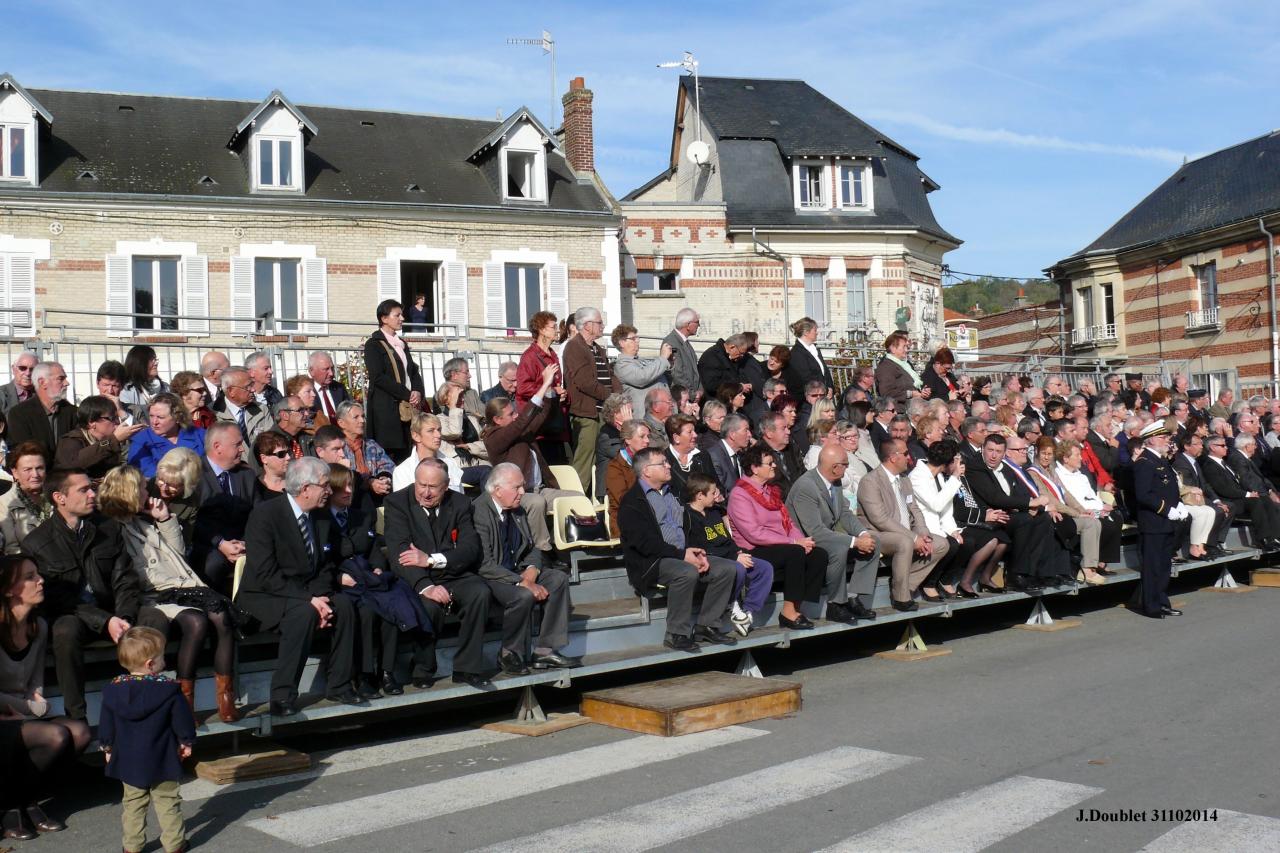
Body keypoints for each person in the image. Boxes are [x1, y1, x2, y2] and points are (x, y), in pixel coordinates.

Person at [98, 465, 240, 724]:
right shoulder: (113, 528)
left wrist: (164, 519)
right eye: (141, 487)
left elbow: (178, 556)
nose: (147, 491)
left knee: (221, 615)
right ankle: (185, 698)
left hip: (180, 588)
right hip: (155, 595)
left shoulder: (143, 520)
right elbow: (134, 576)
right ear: (129, 491)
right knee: (196, 622)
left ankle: (226, 694)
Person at [26, 469, 170, 721]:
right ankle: (77, 717)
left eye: (91, 487)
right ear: (60, 498)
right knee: (64, 629)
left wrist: (123, 617)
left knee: (154, 619)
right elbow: (61, 599)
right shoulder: (37, 542)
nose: (93, 493)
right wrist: (105, 621)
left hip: (113, 608)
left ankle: (151, 706)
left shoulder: (107, 528)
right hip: (74, 615)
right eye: (83, 490)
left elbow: (125, 579)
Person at [236, 457, 365, 715]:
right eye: (325, 485)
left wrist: (321, 597)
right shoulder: (265, 515)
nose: (329, 490)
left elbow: (325, 565)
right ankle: (282, 695)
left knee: (344, 605)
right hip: (265, 596)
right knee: (303, 613)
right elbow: (266, 573)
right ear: (306, 488)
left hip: (306, 592)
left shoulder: (320, 517)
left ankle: (339, 684)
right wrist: (309, 599)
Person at [315, 464, 434, 697]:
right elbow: (321, 558)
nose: (349, 491)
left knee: (392, 607)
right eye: (343, 487)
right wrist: (338, 578)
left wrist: (379, 567)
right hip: (344, 582)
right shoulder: (319, 520)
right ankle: (365, 673)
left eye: (351, 485)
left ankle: (387, 671)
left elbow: (373, 548)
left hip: (369, 578)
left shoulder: (361, 516)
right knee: (370, 611)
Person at [383, 458, 492, 688]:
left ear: (446, 486)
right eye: (421, 484)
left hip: (450, 571)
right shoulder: (397, 503)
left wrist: (431, 560)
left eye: (433, 487)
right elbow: (401, 555)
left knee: (479, 593)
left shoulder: (461, 503)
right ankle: (422, 668)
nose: (426, 492)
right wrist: (427, 586)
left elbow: (470, 549)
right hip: (416, 577)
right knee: (429, 606)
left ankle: (467, 668)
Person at [0, 555, 87, 839]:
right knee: (55, 736)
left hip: (20, 712)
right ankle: (11, 806)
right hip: (3, 715)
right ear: (8, 589)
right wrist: (29, 708)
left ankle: (27, 798)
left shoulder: (39, 627)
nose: (40, 580)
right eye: (29, 576)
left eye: (37, 574)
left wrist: (33, 705)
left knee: (80, 733)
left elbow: (35, 683)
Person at [617, 447, 738, 651]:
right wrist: (683, 554)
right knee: (686, 571)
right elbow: (644, 544)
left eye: (667, 462)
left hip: (684, 552)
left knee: (727, 568)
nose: (668, 465)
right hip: (653, 561)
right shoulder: (633, 502)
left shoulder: (672, 492)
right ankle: (676, 633)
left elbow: (688, 525)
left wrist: (695, 551)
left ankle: (706, 625)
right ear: (646, 471)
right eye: (662, 463)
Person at [473, 463, 579, 674]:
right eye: (517, 487)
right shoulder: (478, 512)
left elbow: (532, 547)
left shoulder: (517, 509)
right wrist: (522, 582)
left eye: (522, 486)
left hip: (518, 571)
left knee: (557, 579)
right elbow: (484, 564)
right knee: (522, 595)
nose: (523, 492)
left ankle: (544, 650)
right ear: (497, 490)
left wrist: (532, 569)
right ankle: (509, 652)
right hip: (492, 576)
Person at [98, 626, 195, 853]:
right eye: (162, 656)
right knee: (168, 802)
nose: (165, 660)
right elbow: (182, 721)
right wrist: (186, 741)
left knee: (132, 804)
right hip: (162, 757)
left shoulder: (113, 691)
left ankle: (132, 847)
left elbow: (107, 723)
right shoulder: (169, 691)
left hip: (129, 760)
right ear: (151, 663)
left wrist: (107, 746)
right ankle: (174, 844)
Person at [727, 443, 827, 629]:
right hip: (755, 549)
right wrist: (794, 542)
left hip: (781, 545)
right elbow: (754, 534)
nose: (774, 466)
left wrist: (802, 541)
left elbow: (788, 524)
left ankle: (796, 607)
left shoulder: (770, 491)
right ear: (755, 468)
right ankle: (788, 613)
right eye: (769, 463)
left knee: (818, 554)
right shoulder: (739, 494)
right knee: (795, 553)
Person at [786, 445, 880, 624]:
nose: (847, 467)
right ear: (835, 467)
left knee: (873, 542)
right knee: (839, 549)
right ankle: (835, 604)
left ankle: (852, 597)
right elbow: (816, 532)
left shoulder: (834, 481)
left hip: (827, 535)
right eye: (845, 464)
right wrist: (854, 542)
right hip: (807, 541)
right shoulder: (806, 486)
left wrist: (863, 534)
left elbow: (844, 513)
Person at [857, 438, 951, 610]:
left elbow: (915, 510)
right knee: (905, 542)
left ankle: (904, 585)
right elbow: (880, 519)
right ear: (893, 457)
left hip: (905, 532)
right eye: (906, 453)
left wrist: (923, 534)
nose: (910, 457)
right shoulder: (870, 481)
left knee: (941, 544)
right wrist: (914, 537)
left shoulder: (904, 479)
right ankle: (901, 598)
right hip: (878, 534)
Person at [683, 473, 774, 634]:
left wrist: (737, 552)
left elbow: (727, 539)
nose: (716, 496)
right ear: (699, 495)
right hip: (711, 560)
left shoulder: (714, 512)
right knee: (737, 568)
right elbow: (701, 548)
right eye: (712, 493)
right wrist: (734, 557)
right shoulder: (688, 516)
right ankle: (732, 604)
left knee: (765, 568)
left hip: (730, 555)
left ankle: (747, 613)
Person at [191, 423, 258, 590]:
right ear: (217, 447)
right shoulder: (194, 475)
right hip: (208, 544)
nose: (242, 449)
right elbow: (193, 520)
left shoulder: (246, 475)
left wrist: (246, 543)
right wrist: (220, 543)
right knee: (213, 564)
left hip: (244, 542)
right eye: (237, 445)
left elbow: (259, 514)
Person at [563, 306, 620, 497]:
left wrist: (620, 397)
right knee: (584, 462)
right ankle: (575, 506)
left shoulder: (597, 349)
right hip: (586, 414)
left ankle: (598, 501)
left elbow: (610, 376)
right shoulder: (574, 347)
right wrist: (611, 397)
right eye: (599, 322)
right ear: (587, 326)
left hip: (602, 412)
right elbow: (584, 382)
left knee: (602, 459)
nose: (602, 326)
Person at [1130, 422, 1184, 618]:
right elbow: (1143, 495)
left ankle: (1162, 601)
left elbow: (1169, 487)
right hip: (1153, 521)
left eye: (1167, 438)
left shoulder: (1159, 460)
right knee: (1153, 566)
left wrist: (1178, 504)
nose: (1167, 441)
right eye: (1162, 438)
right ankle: (1151, 605)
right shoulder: (1144, 462)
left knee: (1164, 566)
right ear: (1151, 439)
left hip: (1165, 520)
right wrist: (1166, 509)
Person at [364, 299, 426, 464]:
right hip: (386, 411)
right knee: (390, 457)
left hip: (406, 409)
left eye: (402, 314)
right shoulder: (373, 345)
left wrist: (417, 391)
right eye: (397, 315)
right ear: (384, 319)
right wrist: (407, 394)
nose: (402, 318)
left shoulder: (401, 344)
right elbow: (377, 377)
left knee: (407, 454)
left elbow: (413, 371)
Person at [1053, 439, 1122, 581]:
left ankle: (1102, 560)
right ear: (1066, 458)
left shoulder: (1081, 475)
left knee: (1116, 517)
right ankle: (1091, 564)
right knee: (1104, 523)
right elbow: (1075, 500)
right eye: (1077, 455)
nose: (1081, 458)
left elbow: (1091, 495)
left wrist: (1102, 506)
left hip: (1092, 507)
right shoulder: (1059, 475)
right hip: (1076, 511)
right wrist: (1098, 509)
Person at [515, 311, 569, 465]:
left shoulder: (552, 355)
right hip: (538, 426)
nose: (557, 330)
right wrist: (549, 391)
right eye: (553, 327)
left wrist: (562, 394)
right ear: (541, 330)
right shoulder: (530, 357)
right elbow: (523, 388)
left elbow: (556, 385)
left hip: (553, 422)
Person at [57, 394, 141, 480]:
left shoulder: (108, 440)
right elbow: (75, 463)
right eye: (112, 418)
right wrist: (114, 439)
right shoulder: (70, 440)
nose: (116, 422)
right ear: (91, 422)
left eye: (117, 418)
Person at [126, 393, 204, 479]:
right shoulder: (141, 442)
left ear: (177, 417)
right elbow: (147, 473)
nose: (154, 422)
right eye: (151, 416)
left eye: (160, 417)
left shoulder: (199, 435)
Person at [6, 362, 77, 455]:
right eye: (61, 379)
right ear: (42, 382)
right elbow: (24, 453)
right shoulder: (20, 414)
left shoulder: (72, 411)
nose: (67, 383)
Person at [334, 401, 395, 500]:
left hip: (376, 497)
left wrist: (383, 478)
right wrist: (369, 483)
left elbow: (388, 465)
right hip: (350, 499)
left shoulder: (371, 444)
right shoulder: (337, 447)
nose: (362, 420)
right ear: (341, 423)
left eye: (363, 416)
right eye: (356, 417)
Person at [393, 412, 465, 493]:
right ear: (416, 436)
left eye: (439, 430)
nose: (438, 435)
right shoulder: (402, 471)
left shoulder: (451, 463)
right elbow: (401, 504)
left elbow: (460, 498)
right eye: (431, 431)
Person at [0, 443, 51, 555]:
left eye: (40, 468)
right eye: (28, 469)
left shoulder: (56, 497)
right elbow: (12, 549)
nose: (35, 474)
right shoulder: (4, 504)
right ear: (15, 472)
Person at [612, 323, 672, 416]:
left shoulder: (642, 360)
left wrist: (669, 362)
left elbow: (656, 373)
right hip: (644, 417)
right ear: (622, 343)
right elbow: (642, 377)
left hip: (661, 413)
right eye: (633, 339)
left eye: (637, 338)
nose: (637, 341)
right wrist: (663, 358)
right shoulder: (621, 365)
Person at [212, 367, 271, 457]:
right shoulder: (213, 415)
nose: (253, 390)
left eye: (252, 385)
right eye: (248, 387)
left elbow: (271, 443)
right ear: (231, 391)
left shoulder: (261, 410)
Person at [605, 420, 650, 534]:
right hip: (626, 523)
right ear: (628, 440)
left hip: (651, 518)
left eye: (648, 436)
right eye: (642, 437)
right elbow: (624, 500)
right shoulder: (615, 466)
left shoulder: (650, 462)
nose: (647, 441)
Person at [782, 317, 834, 401]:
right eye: (815, 330)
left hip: (823, 396)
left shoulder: (815, 350)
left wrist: (830, 388)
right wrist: (825, 390)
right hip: (809, 400)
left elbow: (825, 372)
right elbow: (806, 378)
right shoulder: (796, 353)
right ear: (806, 332)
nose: (817, 333)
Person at [664, 414, 716, 498]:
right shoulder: (664, 460)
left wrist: (717, 493)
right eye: (690, 432)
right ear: (676, 438)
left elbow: (716, 483)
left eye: (694, 431)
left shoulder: (702, 455)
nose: (695, 435)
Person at [874, 331, 929, 406]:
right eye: (904, 347)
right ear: (893, 349)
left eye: (906, 347)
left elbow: (908, 385)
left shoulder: (904, 365)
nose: (906, 350)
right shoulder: (886, 367)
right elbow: (886, 393)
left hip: (911, 407)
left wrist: (921, 392)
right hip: (898, 411)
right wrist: (910, 394)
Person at [704, 412, 752, 495]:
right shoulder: (714, 456)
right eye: (746, 430)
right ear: (732, 435)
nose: (750, 435)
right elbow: (721, 492)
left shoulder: (740, 455)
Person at [595, 392, 633, 496]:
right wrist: (629, 427)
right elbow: (625, 456)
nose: (631, 416)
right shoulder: (606, 436)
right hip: (609, 492)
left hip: (625, 485)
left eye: (631, 411)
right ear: (615, 414)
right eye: (627, 411)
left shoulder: (622, 432)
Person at [118, 345, 169, 419]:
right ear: (139, 363)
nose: (156, 363)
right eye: (151, 360)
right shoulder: (126, 390)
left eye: (155, 359)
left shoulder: (166, 387)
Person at [663, 308, 702, 400]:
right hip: (681, 399)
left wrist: (700, 390)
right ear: (688, 325)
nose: (699, 325)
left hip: (691, 396)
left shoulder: (684, 342)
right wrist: (692, 394)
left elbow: (694, 370)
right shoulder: (672, 342)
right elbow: (677, 374)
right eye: (697, 322)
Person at [307, 351, 349, 424]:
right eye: (326, 369)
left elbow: (348, 411)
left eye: (332, 368)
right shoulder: (305, 392)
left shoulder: (339, 388)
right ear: (312, 371)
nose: (331, 373)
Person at [253, 431, 292, 499]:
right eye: (281, 454)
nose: (288, 457)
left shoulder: (297, 480)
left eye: (289, 452)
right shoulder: (255, 491)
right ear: (264, 459)